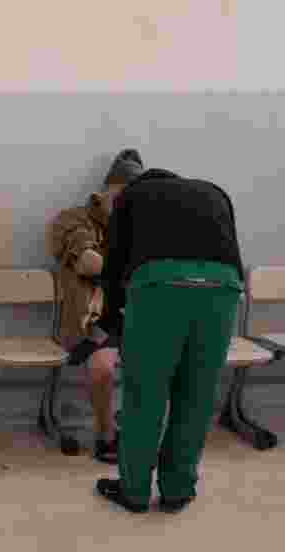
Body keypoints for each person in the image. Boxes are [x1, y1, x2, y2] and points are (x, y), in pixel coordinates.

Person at [94, 168, 245, 513]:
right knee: (197, 394)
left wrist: (111, 323)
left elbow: (115, 266)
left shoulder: (131, 197)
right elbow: (232, 252)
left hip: (160, 288)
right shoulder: (213, 189)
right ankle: (177, 490)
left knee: (145, 394)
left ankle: (133, 491)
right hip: (223, 290)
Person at [47, 149, 145, 463]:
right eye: (122, 197)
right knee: (103, 367)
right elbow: (89, 263)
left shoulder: (141, 225)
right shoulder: (73, 220)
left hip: (137, 317)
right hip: (93, 321)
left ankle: (133, 427)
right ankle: (106, 435)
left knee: (163, 362)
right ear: (103, 194)